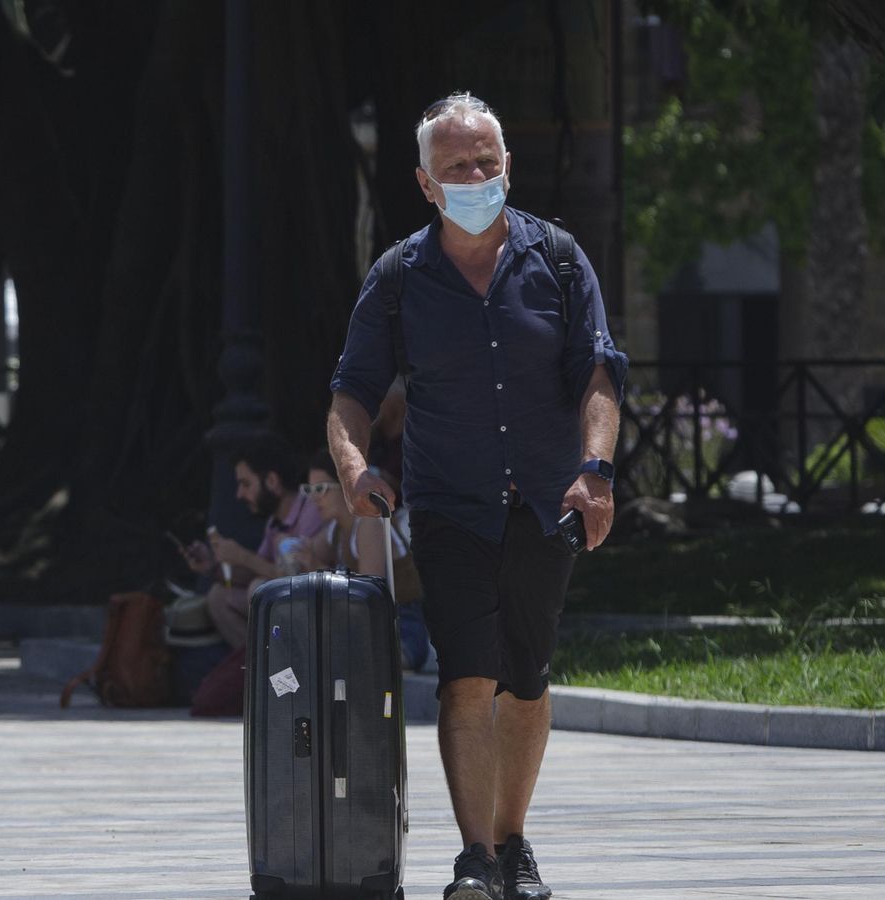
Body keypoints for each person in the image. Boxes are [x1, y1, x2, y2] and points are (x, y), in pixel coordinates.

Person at [327, 92, 628, 900]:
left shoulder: (559, 260)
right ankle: (476, 856)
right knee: (466, 673)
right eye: (456, 165)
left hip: (543, 498)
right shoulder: (398, 277)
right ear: (426, 183)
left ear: (507, 165)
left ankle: (514, 840)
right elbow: (351, 393)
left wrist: (595, 471)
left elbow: (599, 374)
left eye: (487, 161)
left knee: (526, 678)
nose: (476, 175)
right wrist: (357, 468)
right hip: (449, 502)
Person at [180, 437, 326, 648]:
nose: (240, 494)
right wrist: (212, 567)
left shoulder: (312, 509)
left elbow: (296, 579)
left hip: (313, 613)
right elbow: (260, 569)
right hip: (288, 609)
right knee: (219, 596)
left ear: (272, 481)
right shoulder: (274, 522)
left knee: (259, 589)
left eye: (245, 484)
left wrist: (243, 556)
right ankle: (255, 669)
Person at [298, 451, 430, 671]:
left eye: (321, 489)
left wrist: (316, 567)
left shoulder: (369, 524)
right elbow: (300, 556)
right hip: (361, 631)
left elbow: (368, 598)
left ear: (346, 485)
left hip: (400, 633)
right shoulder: (336, 528)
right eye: (309, 491)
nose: (314, 498)